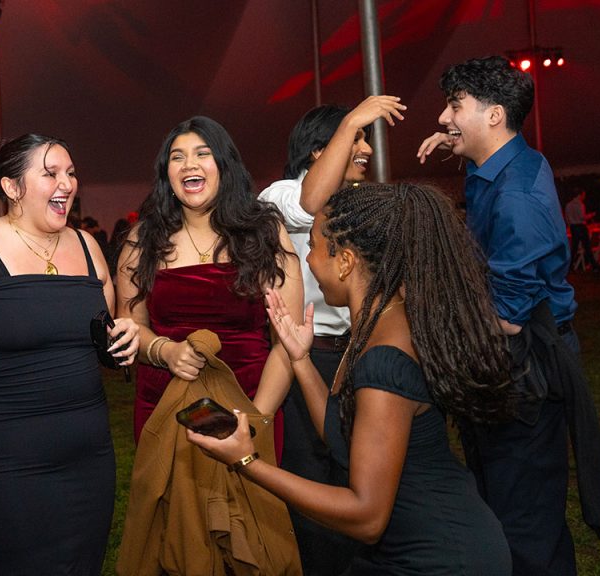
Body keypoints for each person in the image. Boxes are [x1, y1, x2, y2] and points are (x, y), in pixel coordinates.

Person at [189, 182, 514, 575]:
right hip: (415, 546)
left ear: (344, 260)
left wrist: (247, 461)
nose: (307, 260)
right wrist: (301, 360)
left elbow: (366, 516)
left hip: (441, 557)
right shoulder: (378, 325)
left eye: (311, 245)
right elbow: (345, 436)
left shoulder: (383, 360)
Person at [418, 55, 600, 575]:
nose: (442, 117)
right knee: (504, 502)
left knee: (523, 522)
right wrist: (462, 146)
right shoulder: (505, 164)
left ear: (495, 115)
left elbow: (505, 317)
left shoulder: (518, 197)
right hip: (510, 364)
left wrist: (429, 312)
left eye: (455, 106)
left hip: (525, 369)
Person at [0, 133, 139, 575]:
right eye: (51, 173)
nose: (67, 183)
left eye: (71, 173)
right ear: (12, 188)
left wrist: (126, 337)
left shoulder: (88, 247)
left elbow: (105, 345)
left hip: (85, 455)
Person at [257, 98, 403, 576]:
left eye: (362, 137)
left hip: (358, 356)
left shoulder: (362, 203)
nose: (364, 148)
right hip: (303, 356)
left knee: (359, 473)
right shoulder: (279, 195)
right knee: (312, 474)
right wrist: (355, 119)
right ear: (319, 150)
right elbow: (308, 207)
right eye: (355, 138)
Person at [115, 115, 303, 448]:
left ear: (224, 164)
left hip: (249, 401)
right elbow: (130, 326)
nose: (189, 164)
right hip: (165, 406)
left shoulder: (264, 233)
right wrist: (165, 351)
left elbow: (287, 342)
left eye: (202, 153)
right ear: (166, 174)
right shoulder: (143, 239)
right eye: (177, 157)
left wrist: (256, 420)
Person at [565, 189, 599, 271]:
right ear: (579, 195)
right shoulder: (580, 205)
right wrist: (591, 215)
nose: (584, 197)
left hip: (573, 227)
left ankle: (570, 266)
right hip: (581, 227)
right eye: (583, 195)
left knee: (574, 248)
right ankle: (594, 265)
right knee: (587, 247)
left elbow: (567, 218)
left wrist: (571, 225)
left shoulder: (568, 205)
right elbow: (582, 217)